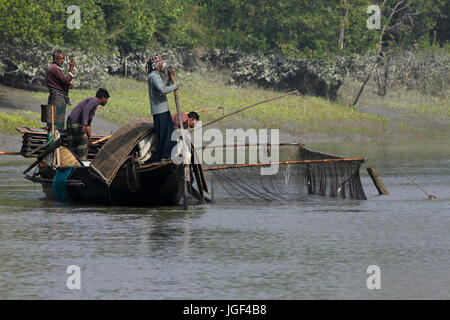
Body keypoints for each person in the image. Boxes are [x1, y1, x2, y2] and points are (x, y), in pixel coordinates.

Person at [147, 54, 178, 162]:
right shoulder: (153, 76)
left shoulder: (156, 75)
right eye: (161, 64)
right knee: (164, 137)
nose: (162, 66)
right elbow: (162, 90)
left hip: (164, 110)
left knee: (170, 133)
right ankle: (158, 158)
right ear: (157, 65)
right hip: (160, 111)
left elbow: (163, 89)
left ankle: (170, 155)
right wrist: (175, 86)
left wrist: (170, 80)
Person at [66, 89, 110, 160]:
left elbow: (88, 125)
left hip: (71, 121)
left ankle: (72, 161)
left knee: (73, 144)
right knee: (83, 141)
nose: (106, 101)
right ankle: (81, 161)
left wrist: (90, 139)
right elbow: (85, 110)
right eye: (106, 99)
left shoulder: (94, 105)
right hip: (76, 122)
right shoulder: (94, 100)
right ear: (102, 97)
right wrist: (84, 124)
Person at [46, 49, 75, 129]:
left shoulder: (54, 68)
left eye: (63, 59)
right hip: (57, 98)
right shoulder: (54, 68)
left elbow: (60, 82)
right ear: (55, 59)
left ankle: (53, 134)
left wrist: (67, 85)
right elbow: (65, 81)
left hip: (55, 97)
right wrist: (71, 68)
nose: (62, 61)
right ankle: (55, 136)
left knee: (53, 120)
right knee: (56, 122)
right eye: (61, 59)